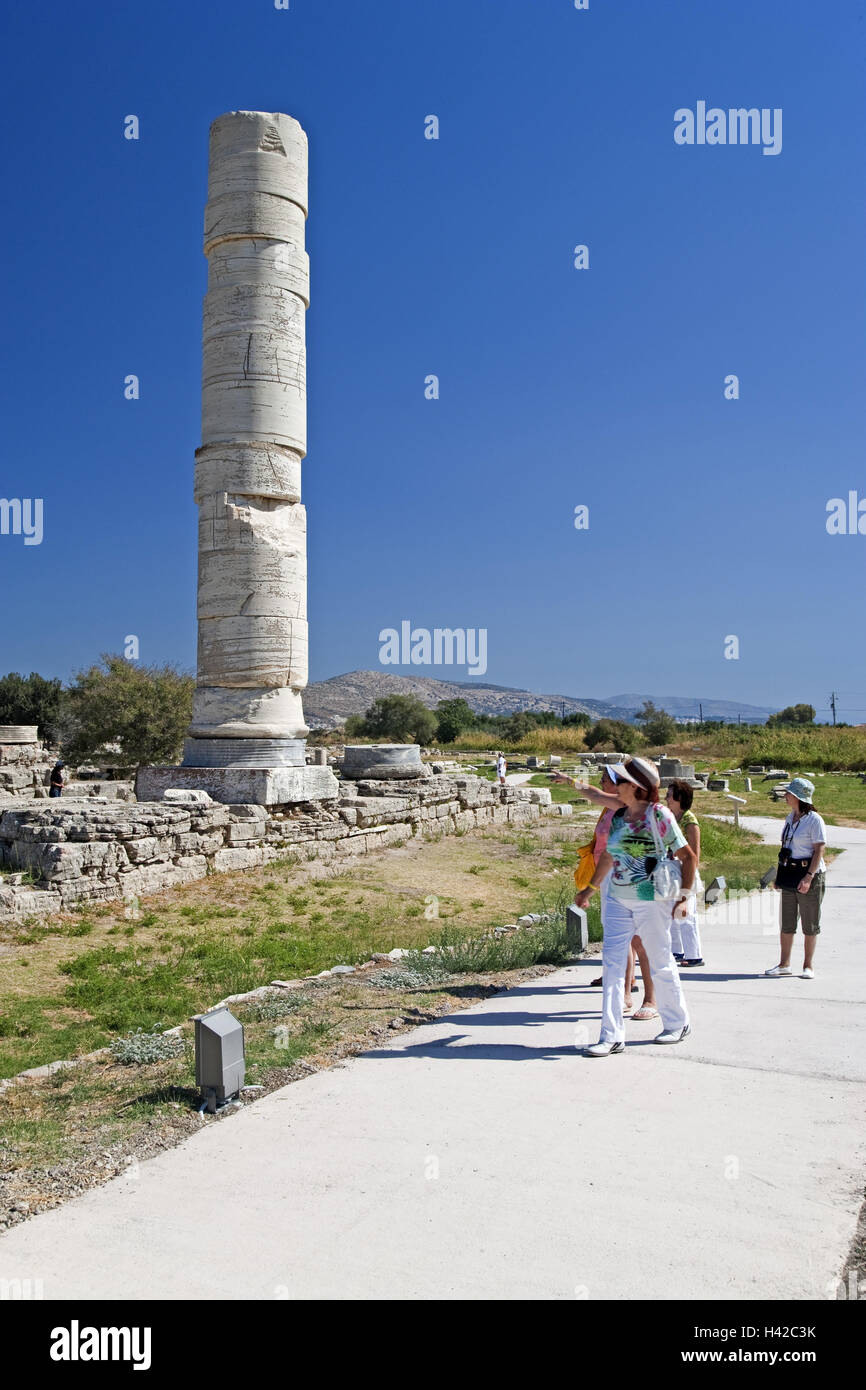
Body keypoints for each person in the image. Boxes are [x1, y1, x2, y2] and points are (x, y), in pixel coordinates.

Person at [574, 757, 696, 1056]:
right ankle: (611, 1035)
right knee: (612, 964)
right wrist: (589, 889)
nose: (613, 784)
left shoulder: (659, 815)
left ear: (634, 786)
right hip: (617, 898)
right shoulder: (618, 816)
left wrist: (683, 895)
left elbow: (688, 855)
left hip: (651, 899)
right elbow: (609, 857)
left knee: (659, 959)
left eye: (619, 780)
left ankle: (677, 1022)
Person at [555, 765, 638, 1013]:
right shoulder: (609, 807)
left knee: (623, 934)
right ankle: (614, 977)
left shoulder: (622, 806)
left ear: (620, 785)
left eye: (606, 780)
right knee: (614, 929)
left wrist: (570, 780)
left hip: (622, 876)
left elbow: (591, 793)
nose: (602, 783)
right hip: (607, 876)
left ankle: (626, 988)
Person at [765, 777, 827, 980]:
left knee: (810, 923)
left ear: (799, 797)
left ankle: (808, 965)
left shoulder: (814, 820)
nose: (786, 796)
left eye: (789, 793)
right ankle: (784, 964)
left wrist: (808, 878)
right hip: (790, 873)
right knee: (787, 922)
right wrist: (779, 876)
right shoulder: (790, 817)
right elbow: (785, 848)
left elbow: (819, 850)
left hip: (809, 873)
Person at [665, 779, 704, 966]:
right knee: (673, 914)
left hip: (686, 871)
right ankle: (677, 950)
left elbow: (694, 853)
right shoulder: (672, 818)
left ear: (679, 798)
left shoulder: (689, 820)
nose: (666, 798)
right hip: (672, 871)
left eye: (669, 795)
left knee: (687, 914)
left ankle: (694, 954)